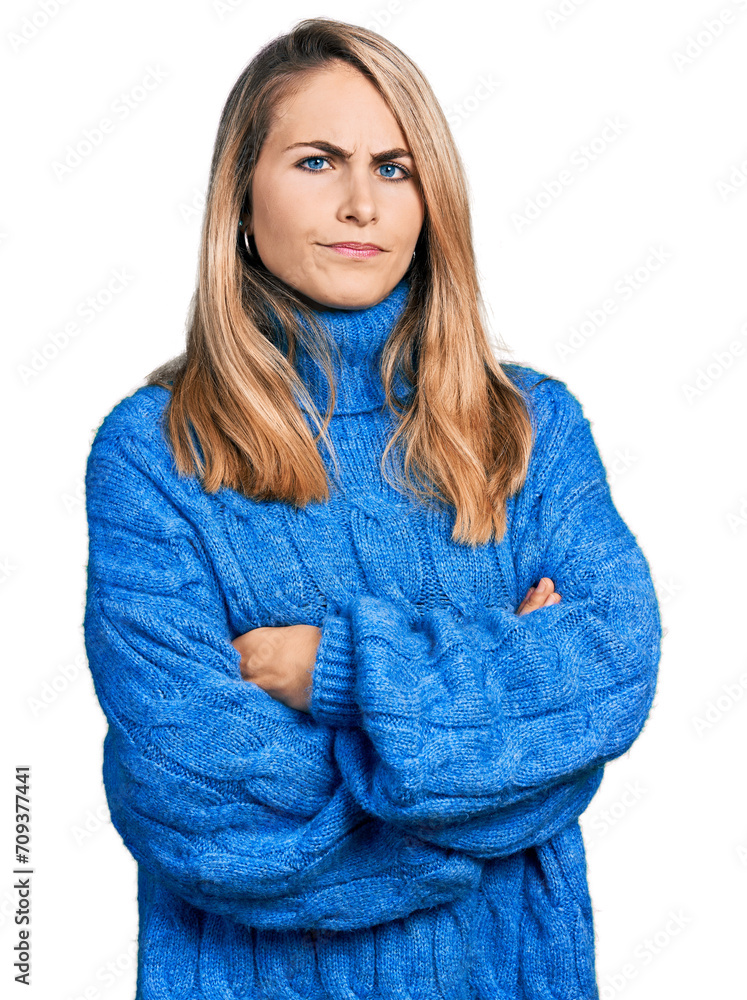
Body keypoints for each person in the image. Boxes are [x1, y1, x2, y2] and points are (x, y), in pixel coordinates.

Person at [83, 16, 662, 1000]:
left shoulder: (529, 431)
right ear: (240, 198)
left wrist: (340, 672)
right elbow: (196, 801)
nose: (361, 204)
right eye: (318, 161)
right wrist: (489, 775)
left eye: (396, 168)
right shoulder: (158, 452)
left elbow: (609, 669)